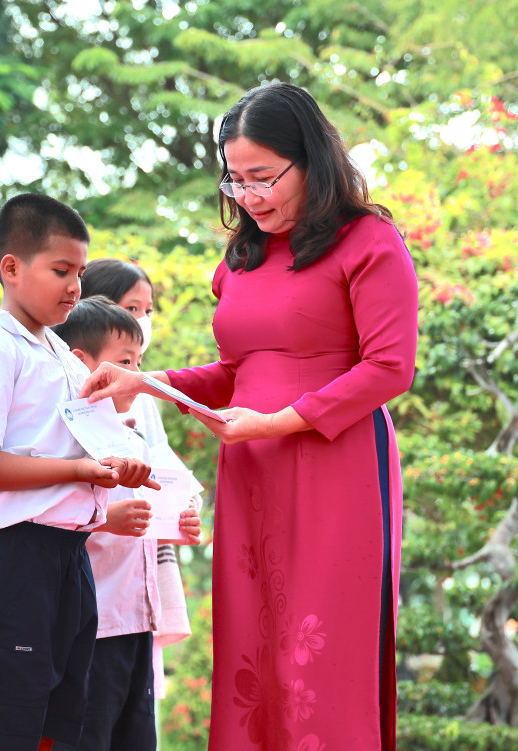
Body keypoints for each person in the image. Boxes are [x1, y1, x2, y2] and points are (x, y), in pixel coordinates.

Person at [80, 82, 418, 750]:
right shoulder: (243, 255)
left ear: (310, 162)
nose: (249, 196)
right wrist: (147, 380)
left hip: (337, 463)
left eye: (262, 177)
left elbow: (389, 368)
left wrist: (280, 420)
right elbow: (238, 371)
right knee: (253, 647)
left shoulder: (367, 241)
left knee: (320, 650)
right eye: (235, 181)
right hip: (252, 468)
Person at [0, 193, 158, 751]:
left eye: (80, 273)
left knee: (55, 727)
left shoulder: (61, 354)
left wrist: (118, 464)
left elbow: (92, 444)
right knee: (2, 728)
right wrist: (78, 468)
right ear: (11, 268)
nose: (74, 287)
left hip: (66, 559)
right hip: (6, 559)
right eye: (61, 270)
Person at [51, 297, 201, 751]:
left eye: (139, 362)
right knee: (87, 735)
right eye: (124, 362)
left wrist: (182, 521)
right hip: (90, 624)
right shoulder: (64, 438)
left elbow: (160, 503)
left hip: (137, 619)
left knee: (134, 736)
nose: (136, 374)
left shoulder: (135, 436)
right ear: (81, 364)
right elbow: (41, 516)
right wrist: (105, 519)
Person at [79, 259, 199, 697]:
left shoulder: (141, 392)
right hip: (92, 602)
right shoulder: (69, 403)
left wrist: (183, 511)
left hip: (138, 601)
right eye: (132, 308)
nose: (142, 321)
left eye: (148, 310)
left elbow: (166, 469)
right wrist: (104, 516)